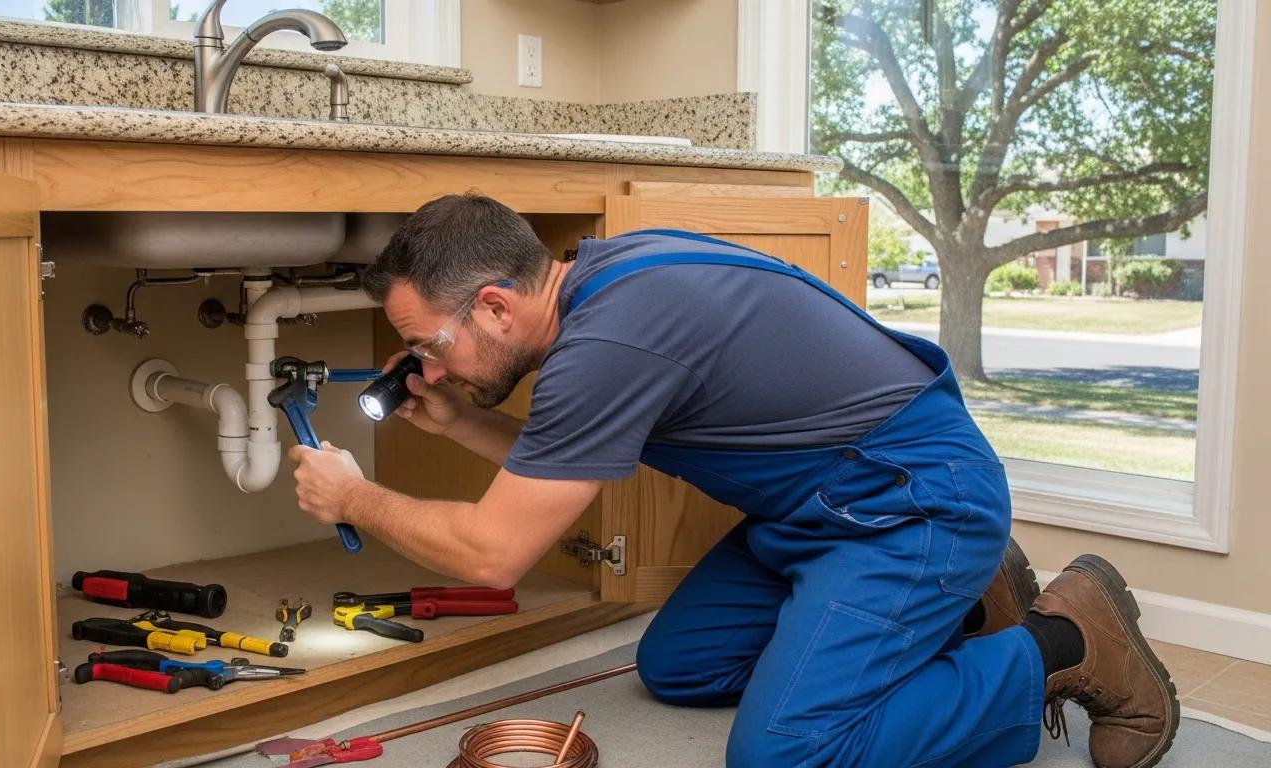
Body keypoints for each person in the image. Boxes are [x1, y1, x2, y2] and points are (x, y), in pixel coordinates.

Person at [287, 194, 1178, 767]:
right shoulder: (604, 280)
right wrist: (465, 420)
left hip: (912, 503)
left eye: (428, 346)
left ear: (494, 305)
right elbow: (574, 452)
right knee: (679, 667)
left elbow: (494, 554)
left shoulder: (604, 346)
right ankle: (964, 601)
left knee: (785, 754)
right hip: (819, 510)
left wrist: (351, 495)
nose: (426, 370)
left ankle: (1064, 646)